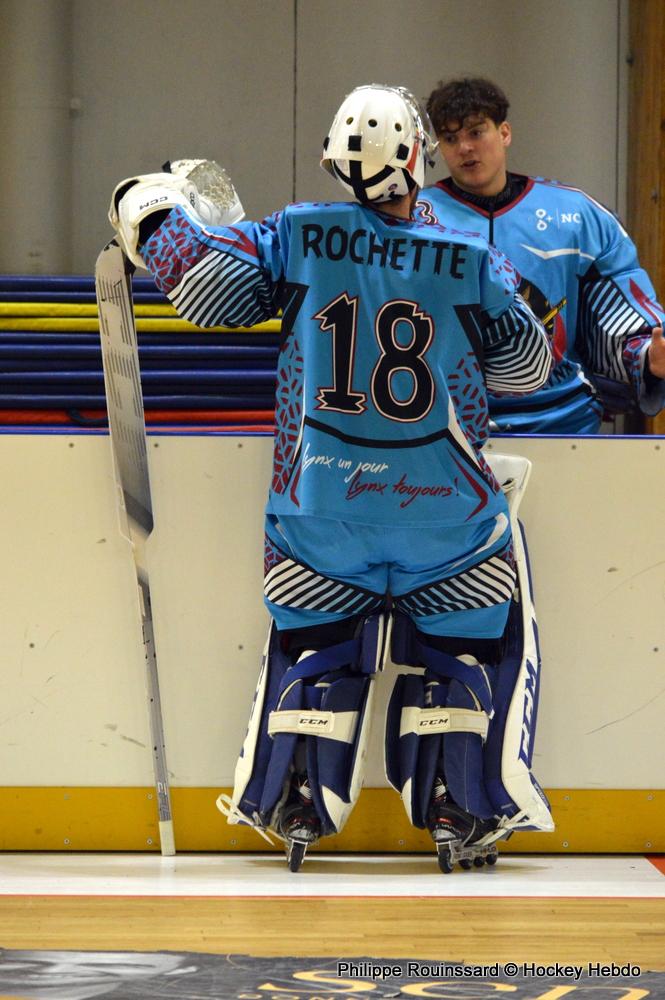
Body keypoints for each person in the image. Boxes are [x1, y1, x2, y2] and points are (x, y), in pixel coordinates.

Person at [107, 84, 554, 872]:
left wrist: (148, 209)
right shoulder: (470, 256)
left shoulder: (296, 234)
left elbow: (205, 291)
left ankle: (299, 799)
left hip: (316, 513)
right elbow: (526, 368)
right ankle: (454, 803)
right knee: (461, 654)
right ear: (417, 155)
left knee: (314, 648)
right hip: (447, 518)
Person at [418, 76, 665, 433]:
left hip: (561, 422)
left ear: (504, 133)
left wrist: (647, 356)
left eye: (476, 132)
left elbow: (621, 312)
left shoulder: (579, 216)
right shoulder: (414, 219)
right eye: (450, 138)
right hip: (442, 424)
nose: (465, 148)